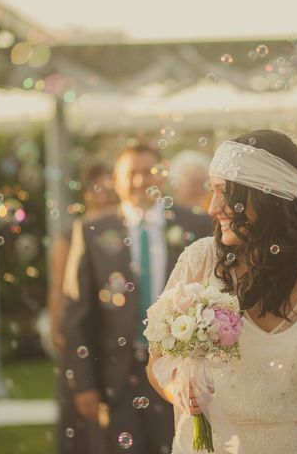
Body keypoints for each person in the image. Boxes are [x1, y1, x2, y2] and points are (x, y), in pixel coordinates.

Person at [147, 130, 297, 453]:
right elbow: (156, 361)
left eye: (224, 193)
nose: (213, 208)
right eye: (212, 192)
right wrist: (178, 387)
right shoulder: (199, 260)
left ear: (266, 197)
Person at [63, 144, 211, 453]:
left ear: (163, 177)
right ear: (116, 181)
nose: (141, 181)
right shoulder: (91, 231)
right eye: (131, 174)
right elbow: (77, 314)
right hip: (116, 374)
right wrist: (84, 383)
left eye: (149, 172)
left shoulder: (196, 225)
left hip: (178, 369)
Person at [50, 162, 119, 454]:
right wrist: (59, 330)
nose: (103, 196)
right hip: (82, 331)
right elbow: (59, 288)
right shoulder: (73, 232)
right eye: (97, 189)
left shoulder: (124, 227)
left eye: (108, 188)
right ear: (87, 194)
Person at [169, 150, 211, 215]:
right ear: (176, 186)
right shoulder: (160, 219)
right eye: (193, 184)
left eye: (203, 184)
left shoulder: (213, 219)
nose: (199, 190)